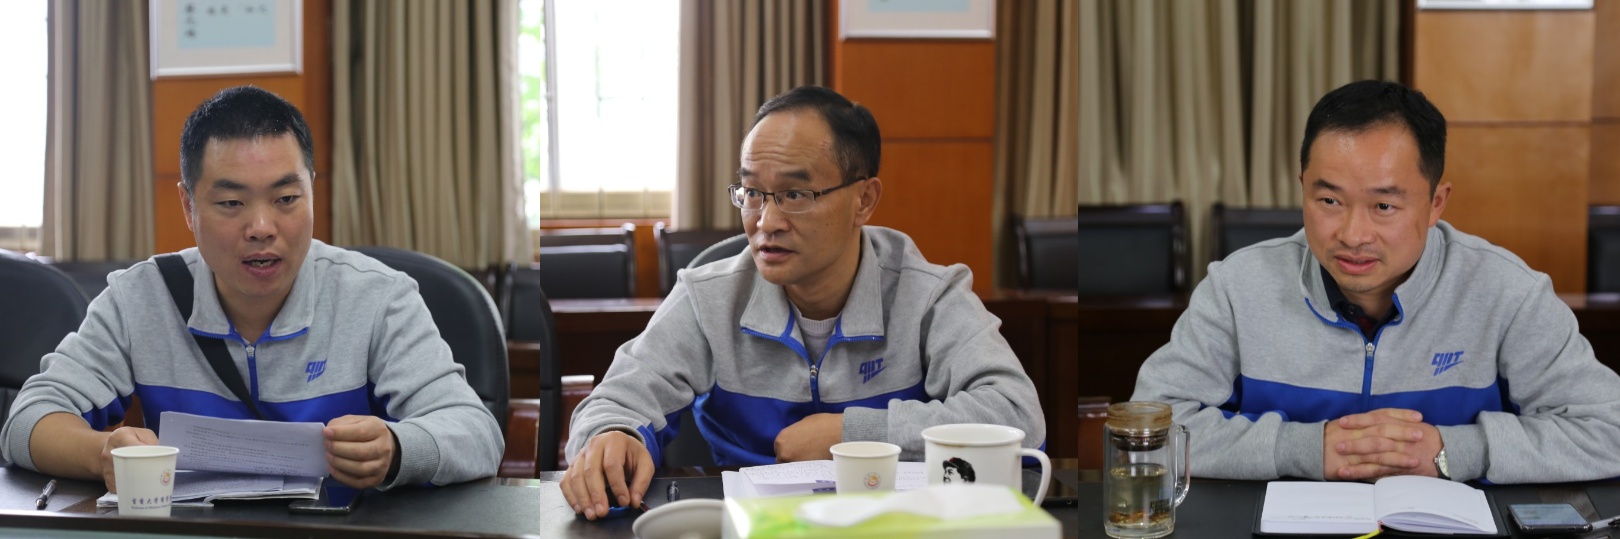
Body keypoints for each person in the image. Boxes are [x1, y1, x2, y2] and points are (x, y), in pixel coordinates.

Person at [559, 85, 1045, 519]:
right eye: (752, 192)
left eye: (794, 194)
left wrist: (853, 434)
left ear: (864, 200)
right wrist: (611, 437)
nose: (765, 221)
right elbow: (613, 402)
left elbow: (1016, 413)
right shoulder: (709, 297)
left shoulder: (927, 294)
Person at [0, 86, 503, 492]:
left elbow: (477, 432)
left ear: (311, 190)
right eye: (231, 204)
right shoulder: (141, 298)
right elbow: (27, 420)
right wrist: (102, 454)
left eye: (286, 198)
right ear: (189, 206)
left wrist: (396, 448)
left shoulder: (378, 298)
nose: (262, 228)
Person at [1131, 79, 1620, 484]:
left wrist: (1451, 451)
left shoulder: (1507, 292)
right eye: (1329, 201)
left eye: (1384, 205)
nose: (1352, 235)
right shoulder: (1237, 287)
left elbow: (1609, 430)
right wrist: (1303, 448)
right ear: (1302, 189)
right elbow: (1147, 432)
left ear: (1436, 203)